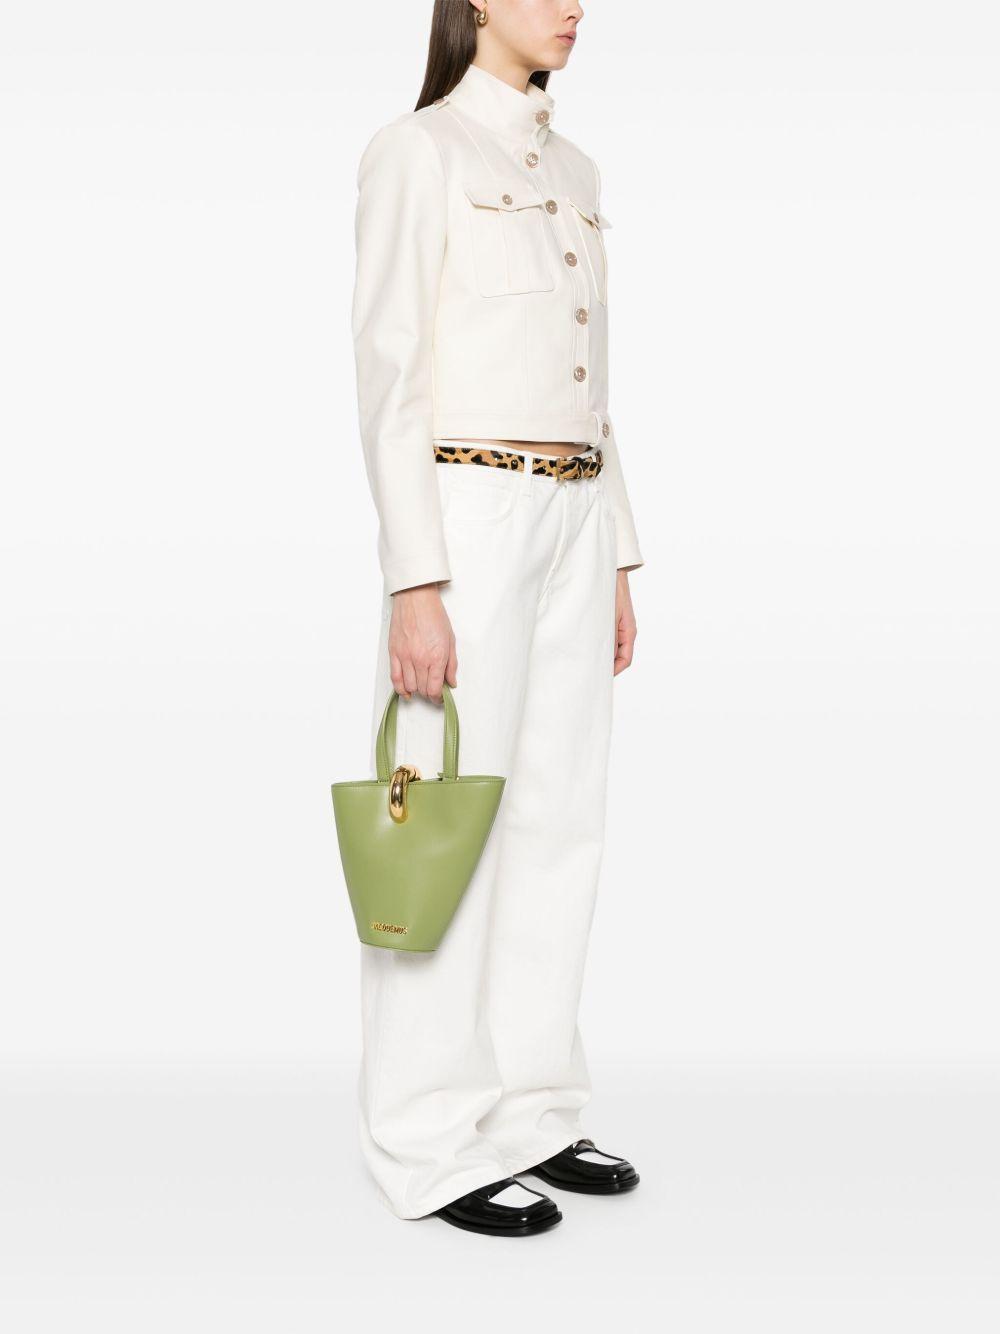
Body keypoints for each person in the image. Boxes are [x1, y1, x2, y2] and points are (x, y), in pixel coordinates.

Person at [350, 0, 644, 1236]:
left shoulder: (575, 170)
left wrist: (616, 549)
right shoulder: (418, 151)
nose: (574, 5)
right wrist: (414, 579)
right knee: (445, 819)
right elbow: (388, 374)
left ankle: (531, 1106)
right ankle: (425, 1140)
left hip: (573, 514)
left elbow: (594, 382)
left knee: (558, 818)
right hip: (468, 515)